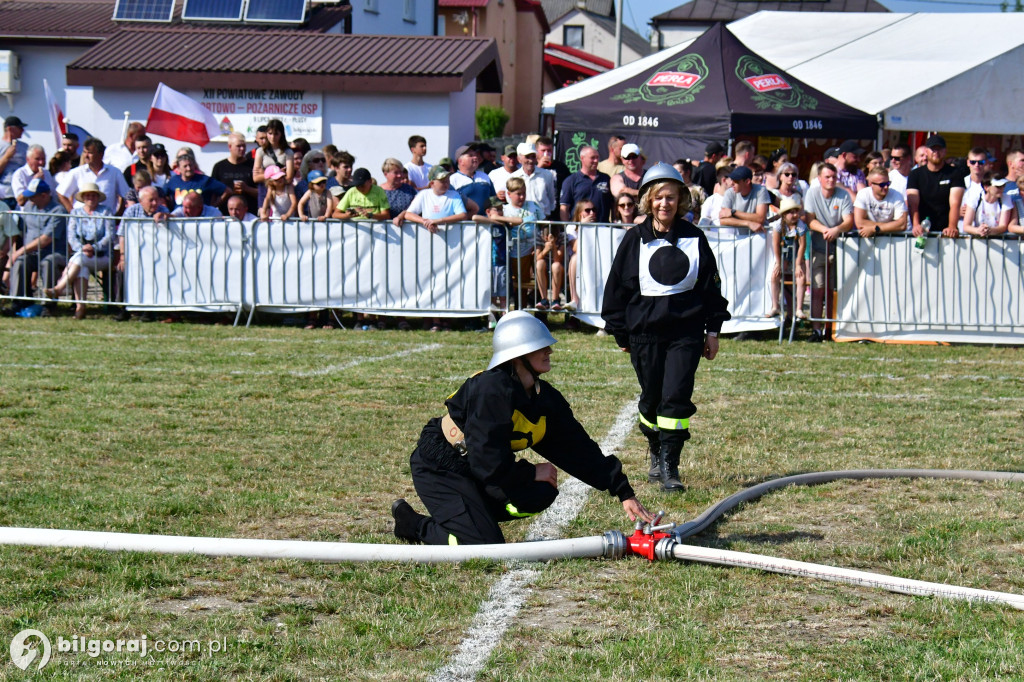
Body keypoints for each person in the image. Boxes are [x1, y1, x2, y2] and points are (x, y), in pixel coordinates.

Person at [390, 310, 654, 545]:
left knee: (541, 491)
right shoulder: (491, 390)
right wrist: (529, 472)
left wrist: (622, 491)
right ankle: (414, 525)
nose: (549, 350)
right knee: (483, 545)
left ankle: (472, 515)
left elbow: (577, 448)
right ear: (518, 355)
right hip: (442, 465)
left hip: (478, 469)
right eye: (540, 346)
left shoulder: (543, 397)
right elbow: (487, 462)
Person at [602, 163, 730, 492]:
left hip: (685, 335)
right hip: (644, 335)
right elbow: (616, 291)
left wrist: (712, 331)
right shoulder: (634, 240)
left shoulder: (694, 238)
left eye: (671, 197)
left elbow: (711, 290)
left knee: (675, 397)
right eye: (658, 197)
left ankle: (670, 465)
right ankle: (655, 449)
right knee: (651, 399)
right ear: (648, 200)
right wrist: (621, 333)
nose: (664, 204)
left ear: (681, 201)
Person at [45, 182, 116, 319]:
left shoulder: (106, 211)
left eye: (94, 195)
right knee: (81, 265)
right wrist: (83, 248)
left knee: (79, 260)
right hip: (81, 254)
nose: (91, 198)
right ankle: (80, 307)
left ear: (98, 197)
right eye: (88, 195)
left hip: (102, 255)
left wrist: (93, 248)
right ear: (83, 198)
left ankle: (59, 288)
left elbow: (109, 235)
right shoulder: (75, 213)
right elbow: (71, 236)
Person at [803, 163, 853, 343]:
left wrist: (836, 230)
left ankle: (830, 329)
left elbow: (849, 220)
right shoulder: (812, 193)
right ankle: (816, 329)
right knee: (817, 290)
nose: (831, 180)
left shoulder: (844, 195)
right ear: (819, 179)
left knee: (833, 291)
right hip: (818, 248)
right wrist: (826, 230)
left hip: (839, 249)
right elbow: (809, 219)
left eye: (833, 177)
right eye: (827, 177)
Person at [3, 179, 66, 317]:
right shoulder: (29, 208)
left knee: (48, 262)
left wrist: (18, 251)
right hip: (33, 252)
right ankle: (19, 302)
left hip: (54, 252)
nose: (29, 199)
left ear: (44, 195)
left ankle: (48, 304)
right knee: (20, 262)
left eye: (33, 196)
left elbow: (45, 239)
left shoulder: (58, 211)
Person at [906, 135, 965, 239]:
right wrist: (916, 225)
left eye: (940, 149)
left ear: (945, 151)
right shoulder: (915, 174)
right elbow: (913, 204)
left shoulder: (955, 173)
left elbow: (955, 204)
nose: (936, 152)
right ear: (927, 151)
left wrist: (952, 226)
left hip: (946, 232)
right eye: (933, 149)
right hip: (922, 231)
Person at [56, 138, 130, 214]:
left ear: (101, 154)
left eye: (90, 153)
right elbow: (61, 193)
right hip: (81, 221)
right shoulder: (76, 172)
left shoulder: (114, 172)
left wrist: (118, 215)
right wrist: (72, 212)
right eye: (84, 152)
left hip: (106, 221)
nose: (86, 156)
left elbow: (127, 195)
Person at [769, 197, 807, 320]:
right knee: (775, 276)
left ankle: (799, 309)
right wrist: (778, 263)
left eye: (796, 211)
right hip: (783, 255)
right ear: (784, 214)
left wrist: (798, 264)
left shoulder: (800, 226)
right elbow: (775, 244)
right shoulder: (779, 226)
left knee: (801, 277)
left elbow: (802, 245)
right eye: (791, 212)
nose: (795, 215)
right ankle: (775, 305)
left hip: (796, 256)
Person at [559, 145, 612, 222]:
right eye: (592, 158)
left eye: (597, 157)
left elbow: (613, 205)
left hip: (602, 228)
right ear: (582, 158)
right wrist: (567, 229)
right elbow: (564, 208)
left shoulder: (605, 178)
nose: (596, 160)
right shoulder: (571, 180)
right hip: (579, 229)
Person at [854, 166, 909, 237]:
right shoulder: (863, 194)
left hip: (891, 240)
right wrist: (891, 226)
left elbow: (902, 225)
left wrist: (875, 229)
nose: (886, 187)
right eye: (882, 185)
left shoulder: (897, 196)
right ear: (871, 184)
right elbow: (859, 223)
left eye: (888, 183)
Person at [211, 132, 258, 216]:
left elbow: (262, 193)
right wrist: (226, 194)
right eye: (239, 146)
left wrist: (246, 188)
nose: (242, 149)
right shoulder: (219, 167)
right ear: (230, 147)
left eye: (244, 146)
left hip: (250, 217)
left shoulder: (253, 165)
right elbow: (213, 198)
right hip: (226, 217)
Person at [165, 149, 230, 209]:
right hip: (179, 219)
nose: (189, 168)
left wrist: (213, 206)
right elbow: (162, 195)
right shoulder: (173, 181)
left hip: (200, 219)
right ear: (178, 168)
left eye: (190, 165)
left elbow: (227, 191)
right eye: (185, 166)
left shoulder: (204, 180)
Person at [253, 119, 295, 210]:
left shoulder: (288, 152)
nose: (272, 137)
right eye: (270, 133)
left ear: (281, 135)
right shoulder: (260, 151)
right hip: (264, 191)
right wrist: (279, 173)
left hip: (282, 193)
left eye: (276, 134)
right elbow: (255, 177)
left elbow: (289, 178)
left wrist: (265, 173)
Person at [509, 142, 556, 221]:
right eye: (527, 157)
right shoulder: (513, 177)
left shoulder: (547, 175)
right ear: (519, 159)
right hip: (521, 221)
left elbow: (551, 199)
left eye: (533, 157)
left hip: (543, 220)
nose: (531, 160)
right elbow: (510, 199)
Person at [718, 165, 770, 233]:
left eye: (736, 181)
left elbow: (760, 218)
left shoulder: (761, 191)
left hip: (759, 236)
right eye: (732, 180)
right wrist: (748, 223)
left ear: (747, 181)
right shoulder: (729, 193)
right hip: (739, 238)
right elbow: (723, 220)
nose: (732, 183)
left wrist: (733, 212)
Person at [962, 173, 1010, 238]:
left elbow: (1003, 226)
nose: (1002, 188)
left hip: (999, 240)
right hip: (978, 239)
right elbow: (966, 226)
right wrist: (978, 231)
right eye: (998, 186)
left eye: (1003, 185)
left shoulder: (1006, 198)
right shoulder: (975, 198)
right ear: (986, 187)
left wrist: (989, 231)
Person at [1, 116, 30, 209]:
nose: (23, 130)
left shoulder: (25, 147)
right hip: (4, 194)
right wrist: (7, 157)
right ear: (9, 128)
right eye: (19, 128)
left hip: (21, 194)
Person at [380, 158, 417, 226]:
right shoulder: (379, 191)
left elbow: (416, 208)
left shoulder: (409, 190)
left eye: (401, 172)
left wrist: (402, 215)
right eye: (396, 173)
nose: (400, 175)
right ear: (385, 174)